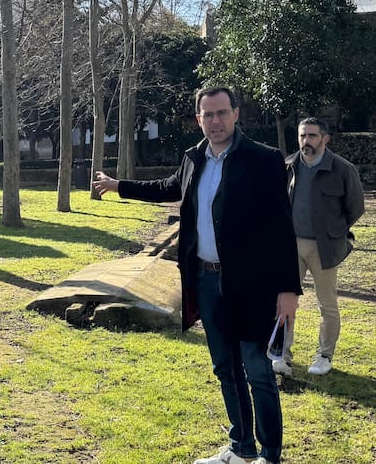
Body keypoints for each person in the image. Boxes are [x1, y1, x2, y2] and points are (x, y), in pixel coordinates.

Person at [92, 86, 300, 464]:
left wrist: (288, 289)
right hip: (205, 280)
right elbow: (168, 188)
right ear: (198, 118)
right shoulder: (194, 158)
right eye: (208, 114)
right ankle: (241, 447)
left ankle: (269, 455)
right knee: (225, 368)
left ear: (236, 114)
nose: (215, 121)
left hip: (252, 285)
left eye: (222, 113)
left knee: (257, 372)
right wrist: (118, 186)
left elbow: (282, 229)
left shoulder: (264, 160)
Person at [273, 117, 365, 378]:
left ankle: (324, 355)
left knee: (327, 305)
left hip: (324, 248)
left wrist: (334, 232)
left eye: (312, 136)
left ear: (325, 139)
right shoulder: (289, 166)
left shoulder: (343, 169)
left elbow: (355, 207)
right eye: (303, 136)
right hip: (291, 247)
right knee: (283, 302)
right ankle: (282, 353)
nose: (306, 141)